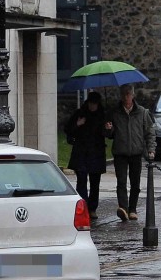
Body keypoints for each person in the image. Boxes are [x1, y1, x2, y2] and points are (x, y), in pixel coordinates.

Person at [105, 83, 156, 221]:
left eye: (128, 94)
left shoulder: (142, 112)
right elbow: (109, 135)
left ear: (132, 95)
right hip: (120, 152)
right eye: (123, 95)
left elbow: (150, 132)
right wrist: (109, 129)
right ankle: (123, 208)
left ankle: (132, 209)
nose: (126, 98)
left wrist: (151, 149)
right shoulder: (115, 113)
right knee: (121, 182)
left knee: (135, 183)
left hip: (136, 152)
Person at [63, 91, 107, 219]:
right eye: (91, 103)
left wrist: (108, 129)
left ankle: (92, 208)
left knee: (95, 183)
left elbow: (107, 134)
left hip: (96, 153)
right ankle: (83, 206)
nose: (92, 106)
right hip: (81, 152)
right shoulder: (80, 114)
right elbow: (68, 129)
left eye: (94, 104)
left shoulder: (102, 116)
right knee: (81, 180)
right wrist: (78, 124)